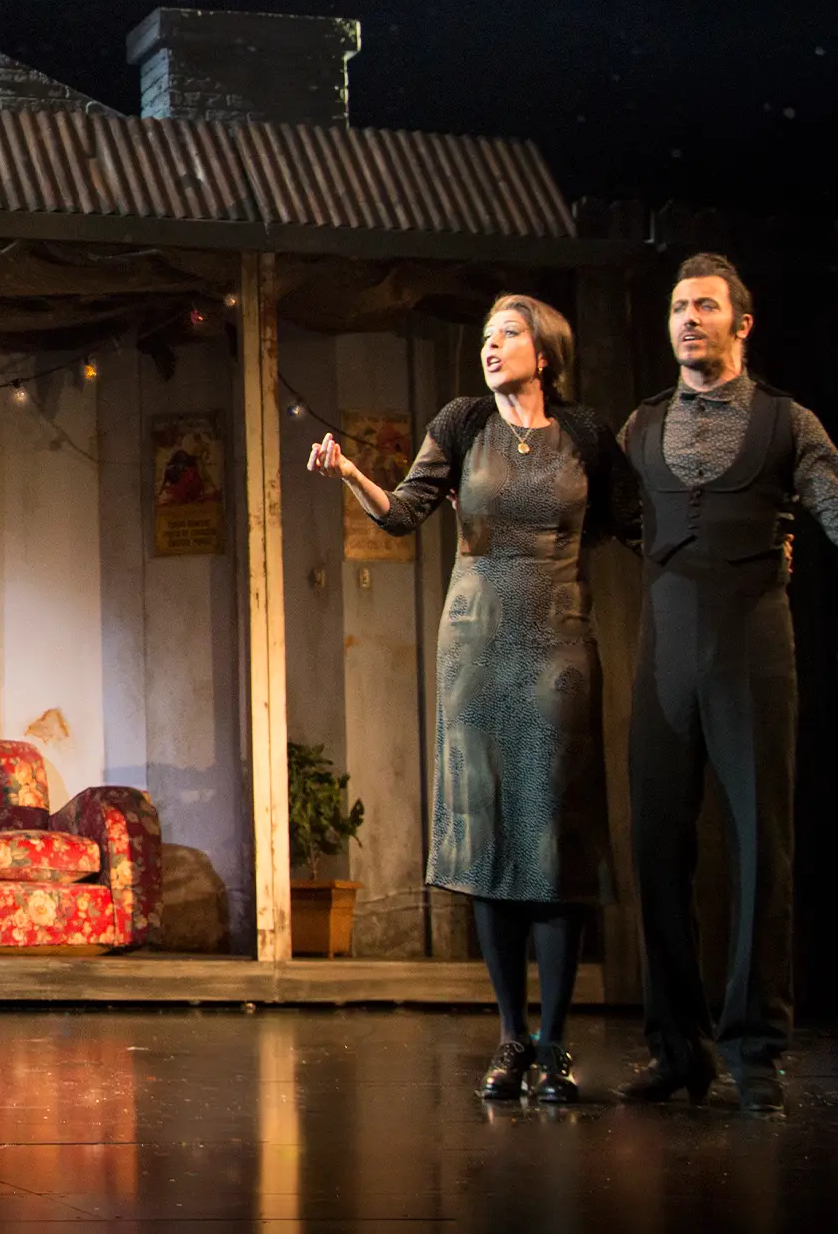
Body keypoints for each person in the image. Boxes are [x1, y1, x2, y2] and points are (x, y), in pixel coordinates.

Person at [308, 293, 634, 1105]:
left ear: (545, 351)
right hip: (476, 647)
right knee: (489, 844)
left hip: (558, 642)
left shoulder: (587, 433)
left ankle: (555, 1044)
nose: (491, 347)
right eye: (485, 337)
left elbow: (627, 520)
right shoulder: (461, 423)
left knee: (551, 842)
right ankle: (511, 1038)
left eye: (508, 335)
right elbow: (403, 515)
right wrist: (351, 474)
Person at [618, 253, 838, 1112]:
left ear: (741, 324)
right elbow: (600, 505)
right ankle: (678, 1048)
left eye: (705, 307)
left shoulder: (785, 422)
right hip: (666, 648)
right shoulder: (641, 427)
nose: (687, 320)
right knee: (655, 849)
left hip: (752, 642)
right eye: (678, 307)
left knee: (761, 851)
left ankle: (756, 1054)